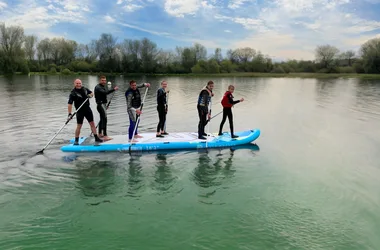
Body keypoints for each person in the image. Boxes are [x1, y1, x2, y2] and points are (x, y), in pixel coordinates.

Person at [67, 79, 103, 145]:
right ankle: (76, 140)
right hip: (79, 111)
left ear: (81, 83)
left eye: (79, 83)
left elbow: (92, 93)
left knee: (92, 123)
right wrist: (69, 113)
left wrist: (90, 95)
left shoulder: (85, 89)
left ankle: (96, 137)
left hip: (87, 109)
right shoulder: (73, 93)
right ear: (74, 84)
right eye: (77, 83)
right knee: (79, 126)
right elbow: (70, 104)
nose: (78, 85)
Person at [94, 75, 118, 141]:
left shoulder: (102, 86)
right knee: (105, 119)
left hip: (102, 105)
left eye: (105, 80)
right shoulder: (98, 87)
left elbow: (103, 96)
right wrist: (114, 89)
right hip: (100, 105)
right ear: (100, 80)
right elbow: (105, 93)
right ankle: (105, 135)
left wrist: (105, 105)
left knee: (102, 119)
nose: (104, 82)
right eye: (102, 80)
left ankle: (99, 133)